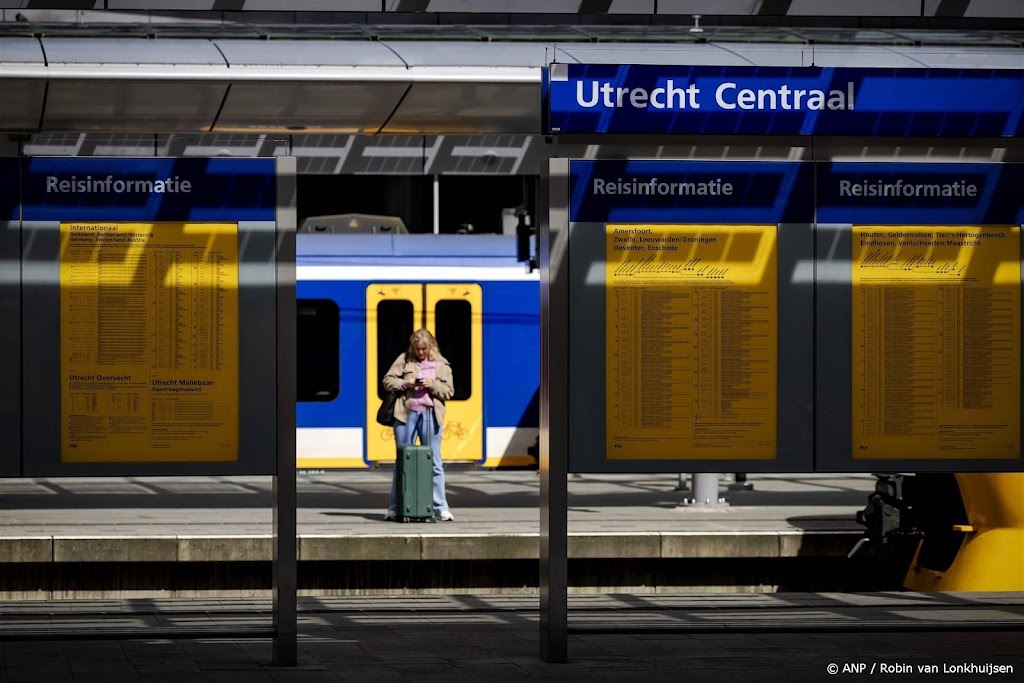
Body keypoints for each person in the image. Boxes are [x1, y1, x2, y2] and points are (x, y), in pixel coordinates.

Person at [382, 329, 455, 522]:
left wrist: (432, 385)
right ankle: (395, 507)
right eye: (417, 349)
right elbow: (387, 381)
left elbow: (449, 391)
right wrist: (406, 384)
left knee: (435, 462)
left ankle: (441, 507)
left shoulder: (441, 363)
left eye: (424, 349)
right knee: (401, 462)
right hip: (405, 415)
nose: (420, 353)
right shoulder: (404, 359)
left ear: (431, 346)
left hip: (431, 415)